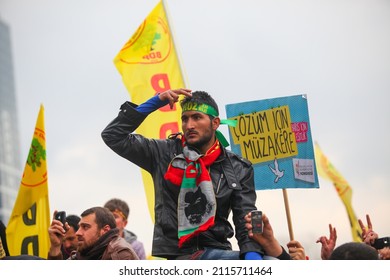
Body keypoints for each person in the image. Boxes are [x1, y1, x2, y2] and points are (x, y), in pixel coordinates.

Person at [101, 89, 264, 260]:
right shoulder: (163, 153)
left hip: (217, 251)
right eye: (185, 119)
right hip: (178, 255)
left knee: (271, 262)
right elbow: (112, 136)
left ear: (215, 123)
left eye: (197, 117)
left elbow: (247, 216)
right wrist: (155, 102)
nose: (189, 125)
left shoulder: (239, 167)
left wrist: (254, 256)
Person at [48, 207, 139, 260]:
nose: (78, 233)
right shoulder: (84, 252)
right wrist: (55, 247)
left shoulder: (119, 254)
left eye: (85, 227)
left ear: (105, 230)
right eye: (79, 227)